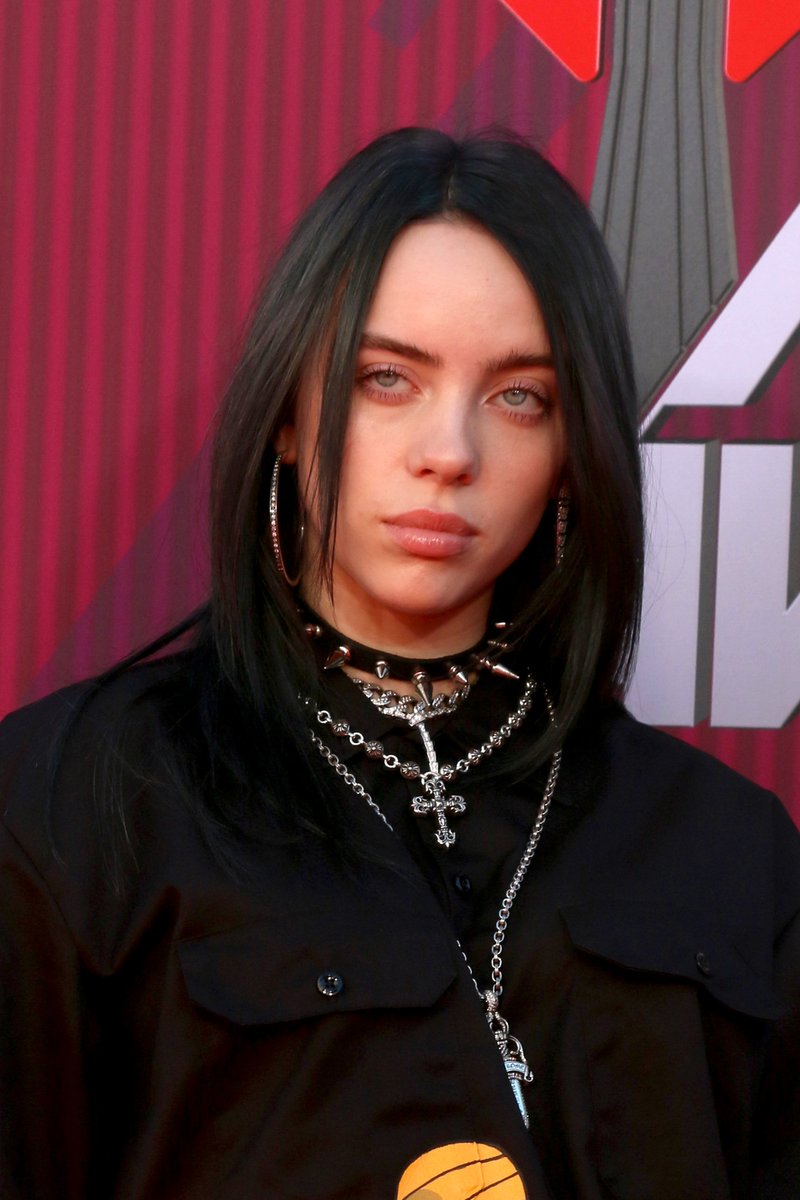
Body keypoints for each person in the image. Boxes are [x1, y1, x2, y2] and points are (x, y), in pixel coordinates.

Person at [1, 127, 798, 1200]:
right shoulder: (75, 805)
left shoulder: (728, 852)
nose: (449, 452)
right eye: (386, 378)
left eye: (520, 396)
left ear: (573, 455)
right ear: (288, 413)